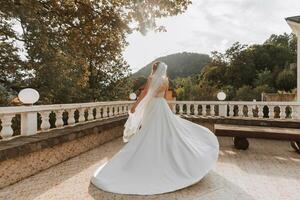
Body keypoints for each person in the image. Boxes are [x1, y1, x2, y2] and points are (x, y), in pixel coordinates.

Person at [91, 61, 219, 195]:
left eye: (153, 68)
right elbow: (163, 96)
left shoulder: (151, 78)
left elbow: (145, 93)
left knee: (149, 131)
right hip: (162, 105)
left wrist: (135, 105)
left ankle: (151, 156)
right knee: (164, 132)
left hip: (152, 106)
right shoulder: (166, 80)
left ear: (154, 69)